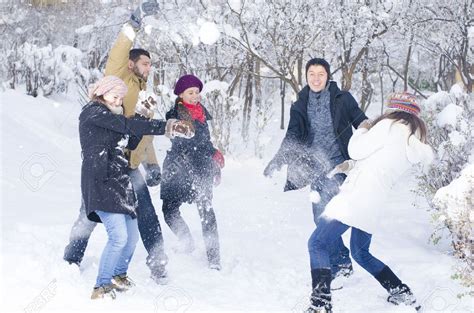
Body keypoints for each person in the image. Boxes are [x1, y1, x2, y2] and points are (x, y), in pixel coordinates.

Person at [64, 0, 172, 284]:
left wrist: (152, 164)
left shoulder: (145, 94)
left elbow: (145, 131)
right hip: (106, 161)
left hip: (129, 163)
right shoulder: (117, 77)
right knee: (89, 213)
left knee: (146, 213)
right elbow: (120, 47)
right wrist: (135, 21)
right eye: (145, 62)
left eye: (151, 63)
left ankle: (158, 263)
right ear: (131, 64)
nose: (149, 67)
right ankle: (71, 259)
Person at [306, 92, 433, 312]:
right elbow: (378, 164)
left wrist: (364, 128)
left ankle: (320, 304)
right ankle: (402, 293)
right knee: (360, 253)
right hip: (372, 203)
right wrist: (350, 166)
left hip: (355, 198)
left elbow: (355, 149)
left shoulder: (391, 126)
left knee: (317, 243)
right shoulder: (409, 138)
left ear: (394, 109)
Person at [81, 75, 194, 299]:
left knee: (131, 236)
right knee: (118, 237)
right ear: (102, 92)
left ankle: (118, 275)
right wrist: (166, 126)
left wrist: (143, 116)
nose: (117, 101)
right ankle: (101, 286)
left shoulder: (114, 116)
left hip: (120, 182)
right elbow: (125, 125)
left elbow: (130, 141)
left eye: (121, 98)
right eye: (114, 96)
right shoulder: (92, 112)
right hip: (101, 182)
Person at [264, 58, 369, 279]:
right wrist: (278, 158)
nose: (316, 78)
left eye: (320, 73)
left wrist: (372, 141)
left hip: (340, 165)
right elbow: (292, 134)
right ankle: (341, 261)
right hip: (316, 169)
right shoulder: (300, 102)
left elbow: (361, 122)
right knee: (320, 219)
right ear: (306, 76)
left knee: (330, 216)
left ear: (328, 76)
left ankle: (339, 265)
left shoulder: (342, 98)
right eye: (311, 73)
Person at [160, 74, 224, 270]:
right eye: (190, 92)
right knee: (169, 209)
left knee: (206, 211)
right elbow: (182, 139)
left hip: (200, 166)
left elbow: (203, 142)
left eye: (197, 92)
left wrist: (214, 154)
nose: (195, 95)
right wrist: (207, 152)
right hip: (178, 167)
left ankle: (214, 258)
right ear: (181, 94)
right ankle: (186, 240)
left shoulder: (202, 113)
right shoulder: (174, 114)